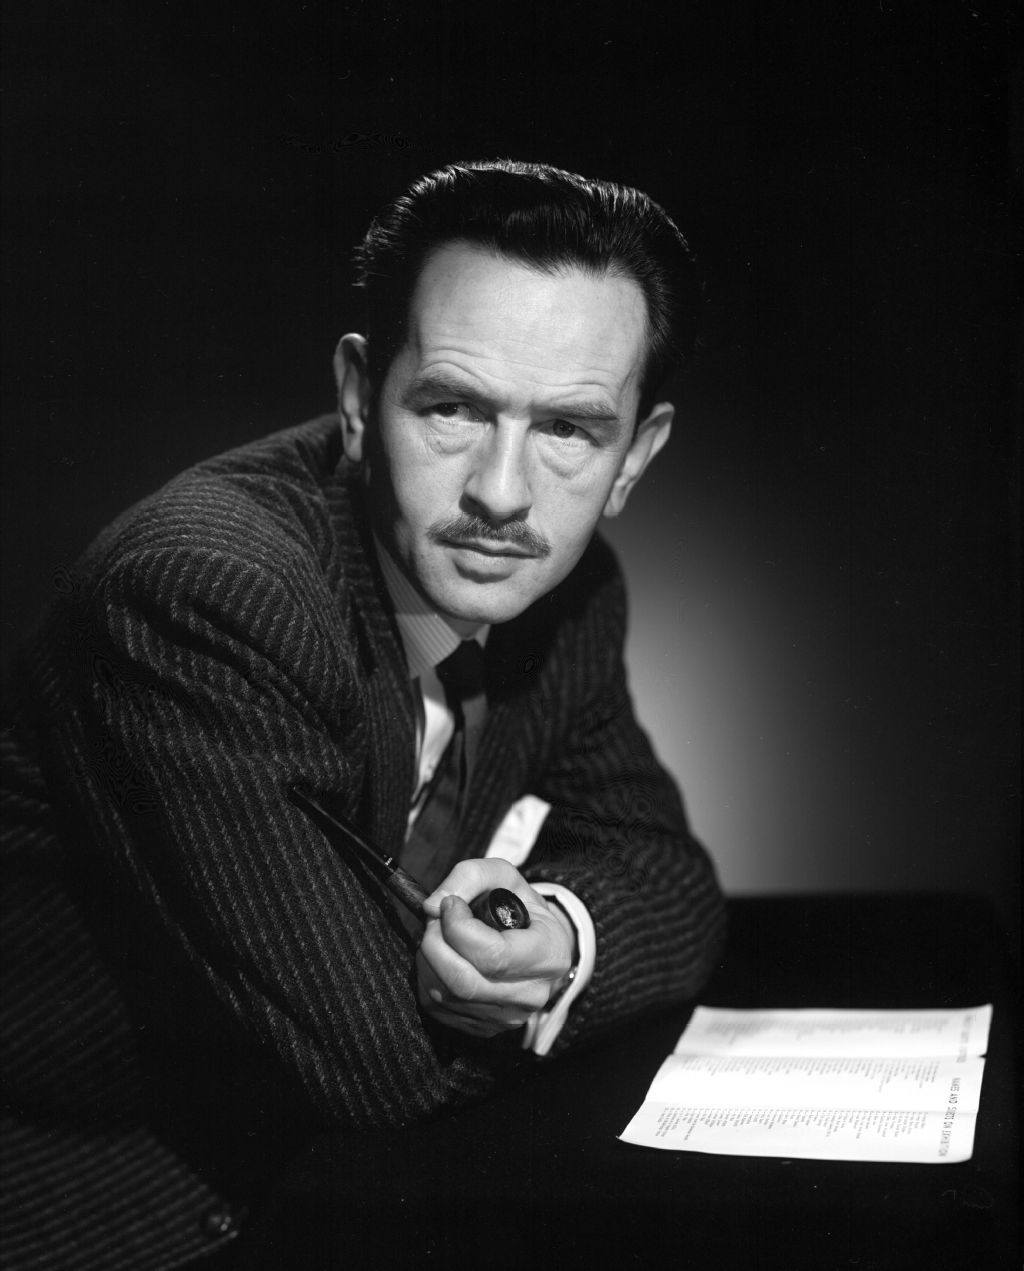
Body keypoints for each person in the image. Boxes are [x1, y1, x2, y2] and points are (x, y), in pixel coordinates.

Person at [0, 160, 725, 1269]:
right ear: (356, 395)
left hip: (323, 1182)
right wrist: (532, 994)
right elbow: (377, 1059)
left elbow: (665, 869)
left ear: (635, 456)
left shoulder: (569, 594)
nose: (501, 493)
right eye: (453, 407)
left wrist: (559, 937)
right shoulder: (200, 593)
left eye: (569, 429)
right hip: (97, 1202)